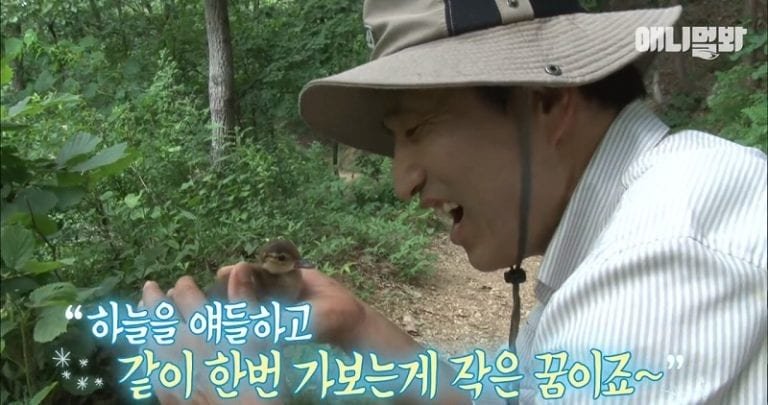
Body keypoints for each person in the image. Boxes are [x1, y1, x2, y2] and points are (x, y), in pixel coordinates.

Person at [142, 0, 767, 403]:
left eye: (416, 128)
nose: (401, 181)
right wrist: (362, 327)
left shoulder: (665, 250)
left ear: (545, 102)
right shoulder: (627, 229)